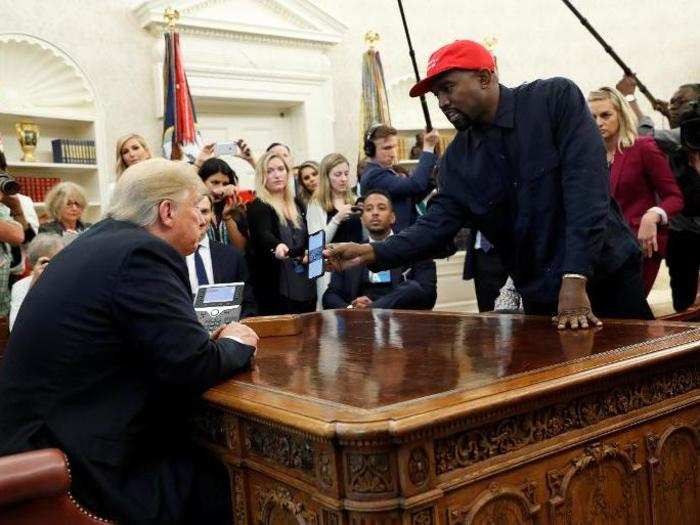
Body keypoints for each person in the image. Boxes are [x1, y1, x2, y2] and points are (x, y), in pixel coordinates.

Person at [327, 39, 653, 330]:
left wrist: (574, 276)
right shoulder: (456, 160)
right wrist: (371, 251)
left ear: (485, 78)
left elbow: (587, 192)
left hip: (606, 276)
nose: (442, 101)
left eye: (448, 87)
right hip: (542, 295)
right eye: (437, 93)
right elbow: (435, 228)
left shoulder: (554, 100)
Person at [0, 158, 258, 524]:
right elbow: (191, 365)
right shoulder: (143, 254)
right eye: (197, 209)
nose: (206, 220)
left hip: (40, 440)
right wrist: (237, 343)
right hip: (73, 463)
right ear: (167, 211)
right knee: (229, 485)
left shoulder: (97, 241)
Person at [588, 86, 683, 294]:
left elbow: (674, 197)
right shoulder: (588, 157)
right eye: (592, 116)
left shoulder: (643, 148)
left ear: (620, 114)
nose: (598, 122)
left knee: (627, 313)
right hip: (599, 250)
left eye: (605, 115)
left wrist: (653, 215)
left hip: (640, 246)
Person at [617, 77, 700, 311]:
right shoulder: (677, 139)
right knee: (683, 299)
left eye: (681, 102)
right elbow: (644, 137)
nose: (674, 106)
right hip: (682, 232)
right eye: (672, 103)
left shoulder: (676, 137)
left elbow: (646, 132)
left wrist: (631, 99)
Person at [323, 189, 436, 310]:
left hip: (401, 320)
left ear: (392, 217)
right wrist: (351, 309)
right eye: (369, 209)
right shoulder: (350, 252)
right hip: (360, 323)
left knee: (412, 288)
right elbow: (330, 297)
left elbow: (428, 296)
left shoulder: (415, 248)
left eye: (381, 208)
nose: (375, 213)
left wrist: (371, 308)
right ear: (362, 219)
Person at [246, 151, 316, 314]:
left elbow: (308, 235)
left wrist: (308, 252)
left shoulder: (298, 203)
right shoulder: (258, 205)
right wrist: (276, 246)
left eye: (280, 169)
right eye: (270, 171)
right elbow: (263, 234)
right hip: (277, 289)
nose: (277, 175)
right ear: (262, 176)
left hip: (306, 283)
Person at [185, 194, 257, 318]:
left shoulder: (232, 256)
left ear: (212, 215)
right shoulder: (168, 256)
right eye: (194, 211)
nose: (200, 218)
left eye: (204, 211)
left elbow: (248, 304)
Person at [306, 153, 363, 308]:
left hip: (356, 269)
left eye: (346, 173)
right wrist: (337, 219)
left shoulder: (355, 200)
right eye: (337, 174)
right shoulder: (316, 204)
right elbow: (315, 249)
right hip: (330, 273)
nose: (343, 179)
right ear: (326, 177)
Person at [360, 124, 440, 232]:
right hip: (396, 241)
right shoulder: (374, 176)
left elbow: (413, 196)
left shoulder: (387, 171)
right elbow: (415, 185)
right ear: (370, 150)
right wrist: (428, 148)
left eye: (394, 146)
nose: (393, 154)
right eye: (387, 148)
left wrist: (435, 176)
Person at [9, 233, 65, 330]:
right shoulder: (21, 286)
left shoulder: (69, 281)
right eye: (47, 262)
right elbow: (14, 328)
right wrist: (34, 287)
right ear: (34, 264)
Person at [197, 157, 247, 250]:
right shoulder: (193, 207)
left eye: (225, 184)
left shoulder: (234, 207)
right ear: (202, 182)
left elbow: (240, 248)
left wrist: (227, 217)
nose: (221, 188)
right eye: (215, 182)